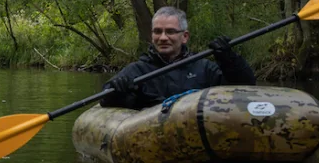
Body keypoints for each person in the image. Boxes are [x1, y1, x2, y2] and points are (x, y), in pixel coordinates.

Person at [100, 6, 256, 110]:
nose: (163, 38)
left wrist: (230, 60)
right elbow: (106, 100)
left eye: (170, 31)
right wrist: (117, 93)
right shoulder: (137, 70)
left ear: (185, 37)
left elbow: (246, 87)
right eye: (157, 31)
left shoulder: (204, 68)